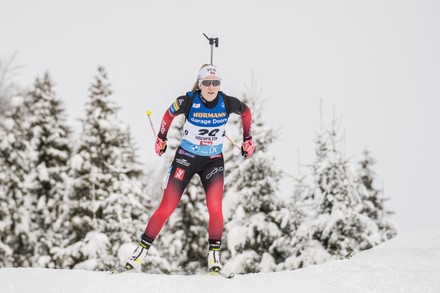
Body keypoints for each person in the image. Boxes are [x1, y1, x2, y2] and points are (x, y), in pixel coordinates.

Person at [122, 64, 254, 273]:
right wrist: (161, 139)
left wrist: (248, 139)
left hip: (212, 162)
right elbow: (167, 115)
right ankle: (139, 253)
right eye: (207, 83)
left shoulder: (227, 102)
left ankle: (214, 258)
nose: (211, 87)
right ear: (200, 84)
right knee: (167, 207)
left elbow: (246, 113)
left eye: (216, 83)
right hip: (186, 158)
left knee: (215, 207)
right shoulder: (188, 100)